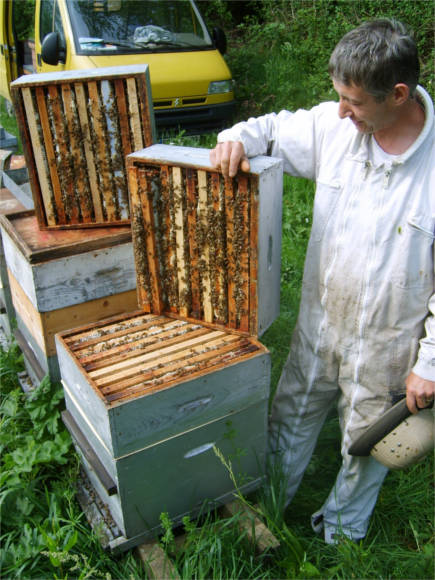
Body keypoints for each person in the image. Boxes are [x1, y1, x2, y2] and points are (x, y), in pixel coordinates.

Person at [210, 18, 434, 543]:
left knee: (366, 443)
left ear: (397, 94)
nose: (341, 110)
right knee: (289, 417)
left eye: (353, 101)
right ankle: (268, 508)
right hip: (320, 323)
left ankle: (342, 534)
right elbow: (263, 129)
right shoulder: (336, 128)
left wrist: (430, 363)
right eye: (339, 96)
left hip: (387, 341)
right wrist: (232, 139)